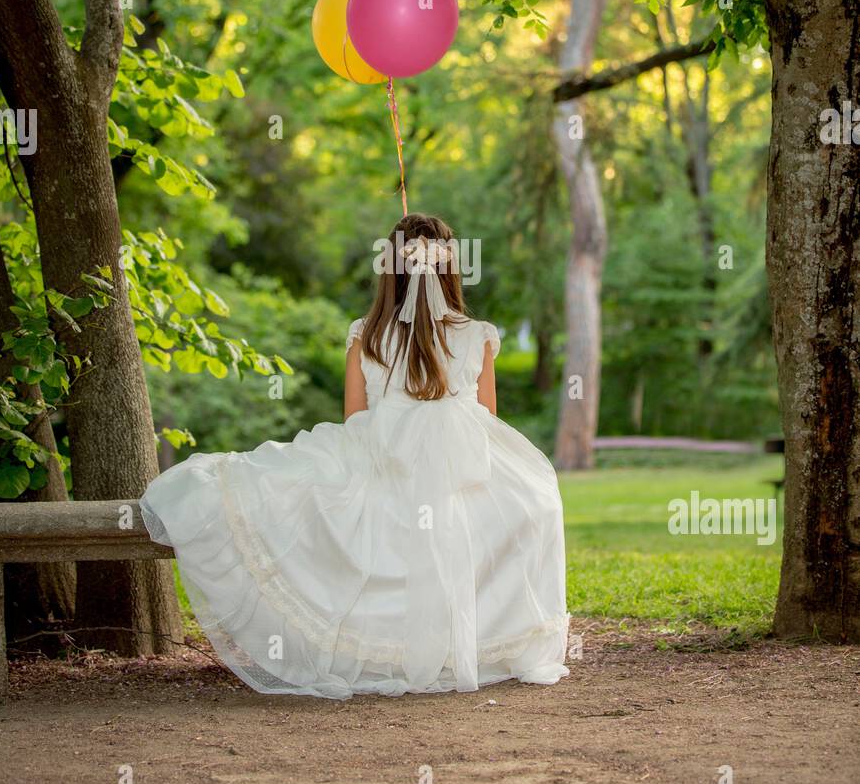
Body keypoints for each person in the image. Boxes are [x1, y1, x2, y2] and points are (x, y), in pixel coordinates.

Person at [140, 213, 570, 699]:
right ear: (451, 269)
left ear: (389, 270)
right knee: (533, 502)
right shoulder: (478, 335)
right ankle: (480, 644)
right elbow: (488, 416)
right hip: (465, 462)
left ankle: (382, 649)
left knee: (346, 512)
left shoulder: (366, 334)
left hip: (382, 452)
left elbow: (354, 416)